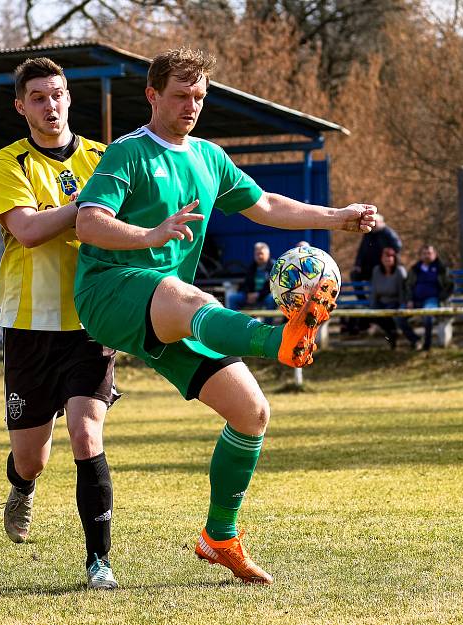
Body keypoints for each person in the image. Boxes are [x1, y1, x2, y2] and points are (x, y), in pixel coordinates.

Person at [74, 48, 376, 585]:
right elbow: (88, 224)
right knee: (187, 297)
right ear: (152, 96)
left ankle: (220, 537)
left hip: (171, 311)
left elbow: (266, 206)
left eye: (199, 97)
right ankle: (279, 341)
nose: (191, 105)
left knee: (252, 412)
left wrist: (339, 217)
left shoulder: (210, 158)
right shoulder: (128, 154)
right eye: (180, 96)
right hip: (108, 292)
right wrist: (150, 235)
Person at [0, 57, 120, 590]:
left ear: (69, 98)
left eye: (58, 93)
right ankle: (21, 486)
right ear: (22, 106)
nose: (50, 104)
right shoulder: (8, 163)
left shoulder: (103, 157)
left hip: (92, 321)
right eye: (38, 96)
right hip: (28, 325)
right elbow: (29, 230)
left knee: (87, 435)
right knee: (33, 457)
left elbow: (123, 222)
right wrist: (86, 209)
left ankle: (99, 563)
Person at [345, 213, 402, 335]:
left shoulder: (387, 232)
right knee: (354, 274)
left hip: (382, 268)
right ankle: (363, 300)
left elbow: (398, 247)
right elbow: (361, 251)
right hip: (368, 267)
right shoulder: (369, 234)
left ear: (381, 222)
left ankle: (372, 303)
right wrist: (358, 265)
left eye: (375, 222)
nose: (373, 225)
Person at [405, 244, 454, 351]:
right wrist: (409, 300)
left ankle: (427, 344)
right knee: (398, 317)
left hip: (432, 300)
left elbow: (450, 286)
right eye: (424, 253)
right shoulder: (415, 269)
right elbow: (408, 286)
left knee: (428, 316)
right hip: (415, 301)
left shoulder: (441, 269)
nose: (427, 256)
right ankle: (415, 339)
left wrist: (441, 298)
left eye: (429, 253)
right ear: (420, 256)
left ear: (435, 254)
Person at [370, 247, 418, 349]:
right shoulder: (376, 271)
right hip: (382, 302)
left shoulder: (400, 271)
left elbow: (403, 291)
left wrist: (402, 306)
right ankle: (392, 334)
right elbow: (374, 291)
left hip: (396, 302)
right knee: (373, 314)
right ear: (381, 259)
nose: (387, 259)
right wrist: (372, 307)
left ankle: (414, 340)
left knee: (397, 317)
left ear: (394, 258)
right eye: (385, 257)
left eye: (390, 257)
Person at [227, 242, 276, 313]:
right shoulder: (252, 267)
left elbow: (273, 287)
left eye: (261, 253)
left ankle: (267, 324)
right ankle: (236, 322)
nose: (259, 256)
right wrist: (248, 294)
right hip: (251, 295)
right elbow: (246, 283)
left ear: (268, 254)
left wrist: (258, 294)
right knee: (232, 298)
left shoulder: (274, 267)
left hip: (265, 295)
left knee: (270, 299)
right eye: (257, 254)